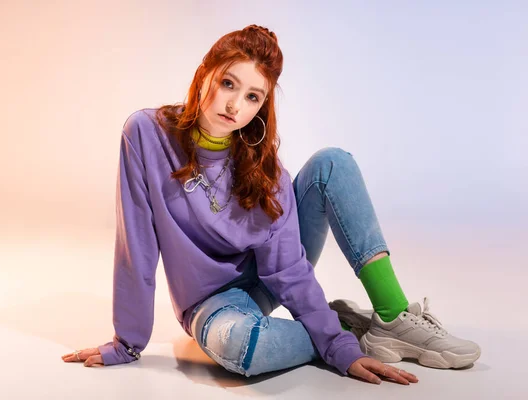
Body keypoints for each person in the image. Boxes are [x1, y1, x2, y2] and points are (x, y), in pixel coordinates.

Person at [62, 25, 480, 385]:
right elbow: (135, 245)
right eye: (228, 83)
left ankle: (391, 315)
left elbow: (287, 268)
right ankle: (343, 327)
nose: (234, 106)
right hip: (211, 304)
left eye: (252, 97)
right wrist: (128, 342)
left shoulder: (266, 170)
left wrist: (339, 352)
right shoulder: (147, 134)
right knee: (244, 348)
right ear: (204, 74)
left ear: (262, 105)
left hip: (267, 280)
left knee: (332, 164)